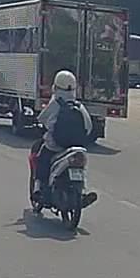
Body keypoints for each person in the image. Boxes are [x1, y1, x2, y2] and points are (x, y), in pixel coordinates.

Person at [33, 70, 95, 205]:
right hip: (76, 147)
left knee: (42, 159)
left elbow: (42, 119)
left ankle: (37, 189)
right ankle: (83, 192)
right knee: (81, 166)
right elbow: (89, 127)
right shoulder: (79, 106)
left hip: (55, 146)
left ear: (55, 86)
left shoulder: (55, 103)